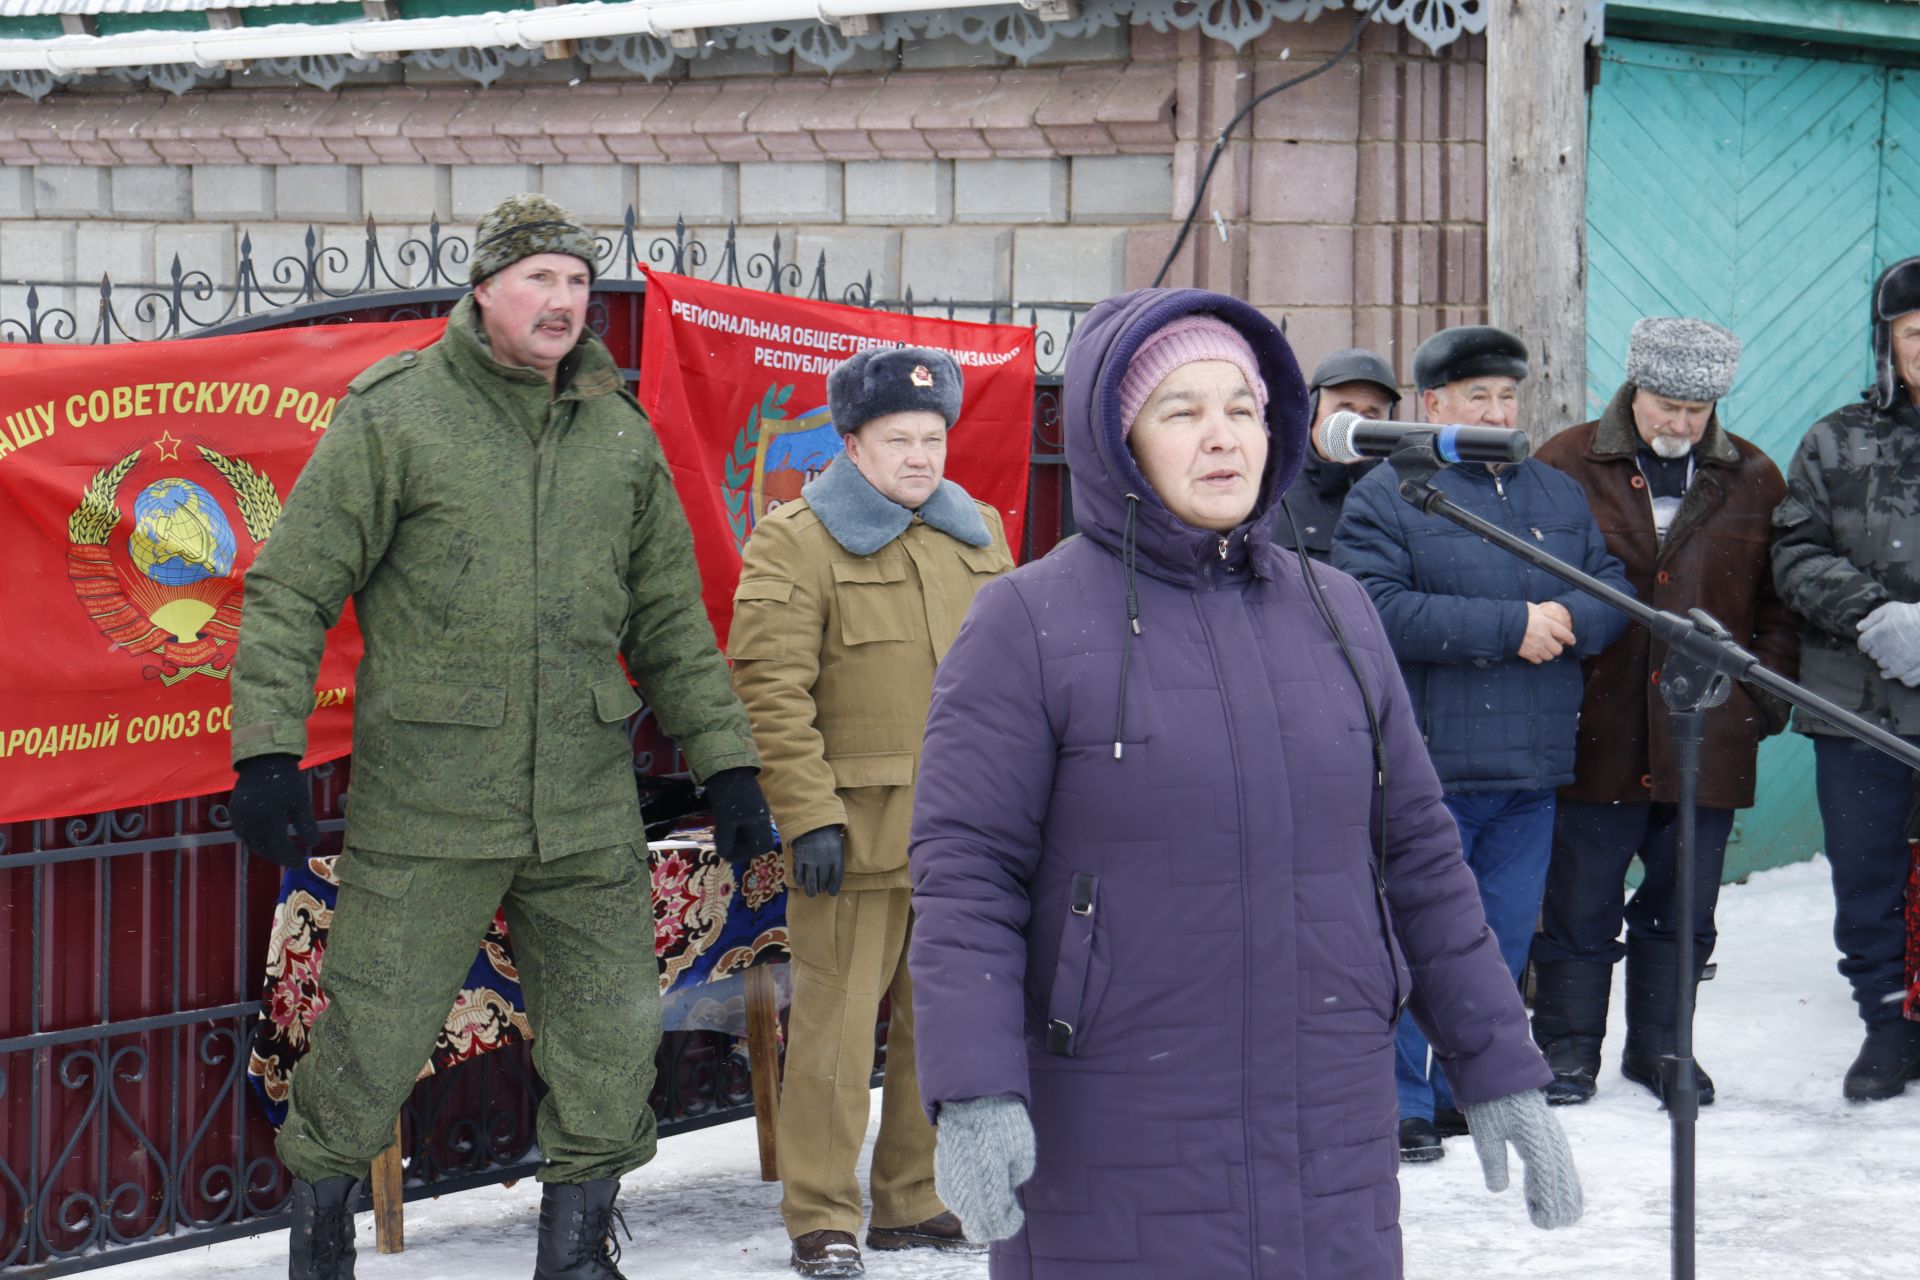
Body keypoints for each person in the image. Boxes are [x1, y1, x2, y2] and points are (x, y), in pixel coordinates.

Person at [907, 290, 1581, 1280]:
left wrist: (1499, 1068)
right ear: (1117, 438)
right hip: (1119, 1116)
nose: (1222, 437)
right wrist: (975, 1089)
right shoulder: (1028, 620)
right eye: (1181, 411)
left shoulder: (1338, 608)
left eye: (1243, 407)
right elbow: (968, 875)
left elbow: (1421, 858)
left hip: (1329, 1124)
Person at [226, 194, 774, 1280]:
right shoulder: (398, 414)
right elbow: (294, 589)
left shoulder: (618, 434)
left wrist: (733, 766)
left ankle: (574, 1253)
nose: (563, 301)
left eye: (577, 283)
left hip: (581, 796)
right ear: (485, 290)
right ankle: (322, 1236)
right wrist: (266, 750)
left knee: (613, 1035)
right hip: (430, 796)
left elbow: (668, 620)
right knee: (374, 1029)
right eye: (539, 280)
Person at [728, 346, 1014, 1277]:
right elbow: (771, 689)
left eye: (933, 438)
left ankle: (910, 1198)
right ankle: (822, 1215)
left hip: (969, 831)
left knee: (944, 1030)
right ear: (851, 443)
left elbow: (1020, 681)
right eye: (900, 439)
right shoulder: (796, 540)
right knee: (834, 1038)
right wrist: (807, 814)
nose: (922, 456)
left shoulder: (978, 538)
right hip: (854, 836)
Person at [1332, 325, 1633, 1162]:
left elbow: (1611, 585)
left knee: (1497, 942)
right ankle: (1400, 1103)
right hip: (1431, 768)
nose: (1498, 410)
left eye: (1507, 395)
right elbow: (1375, 609)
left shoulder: (1555, 492)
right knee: (1412, 940)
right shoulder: (1392, 492)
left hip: (1531, 768)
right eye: (1478, 397)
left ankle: (1468, 1088)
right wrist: (1511, 628)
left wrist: (1572, 619)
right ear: (1435, 407)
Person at [1531, 317, 1798, 1108]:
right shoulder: (1568, 461)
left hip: (1707, 733)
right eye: (1667, 404)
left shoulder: (1754, 476)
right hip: (1594, 725)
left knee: (1684, 907)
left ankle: (1663, 1051)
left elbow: (1779, 607)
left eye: (1699, 408)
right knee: (1578, 902)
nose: (1681, 423)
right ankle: (1568, 1052)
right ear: (1634, 387)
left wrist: (1761, 698)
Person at [1772, 254, 1920, 1101]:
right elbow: (1794, 551)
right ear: (1888, 344)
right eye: (1914, 334)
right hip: (1858, 704)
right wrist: (1872, 614)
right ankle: (1888, 1027)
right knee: (1866, 872)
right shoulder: (1837, 439)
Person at [1279, 347, 1399, 560]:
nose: (1354, 425)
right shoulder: (1274, 491)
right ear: (1312, 411)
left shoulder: (1402, 496)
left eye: (1371, 416)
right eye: (1344, 411)